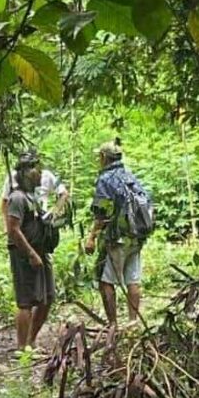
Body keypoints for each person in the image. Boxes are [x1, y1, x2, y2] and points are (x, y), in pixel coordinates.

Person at [84, 139, 150, 327]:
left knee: (106, 281)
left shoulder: (106, 179)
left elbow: (102, 212)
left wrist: (91, 237)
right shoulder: (130, 176)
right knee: (133, 279)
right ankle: (133, 321)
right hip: (136, 236)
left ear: (104, 157)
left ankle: (113, 325)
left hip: (117, 238)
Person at [6, 159, 55, 350]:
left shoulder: (31, 197)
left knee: (47, 298)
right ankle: (21, 347)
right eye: (36, 170)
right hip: (24, 253)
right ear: (26, 173)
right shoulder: (17, 198)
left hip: (40, 251)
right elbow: (14, 229)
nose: (40, 174)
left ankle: (31, 341)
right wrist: (30, 253)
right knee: (25, 301)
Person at [1, 150, 69, 232]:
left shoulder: (46, 175)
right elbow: (4, 201)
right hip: (20, 222)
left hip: (40, 224)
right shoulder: (13, 177)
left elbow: (63, 193)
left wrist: (54, 212)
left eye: (32, 166)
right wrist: (6, 225)